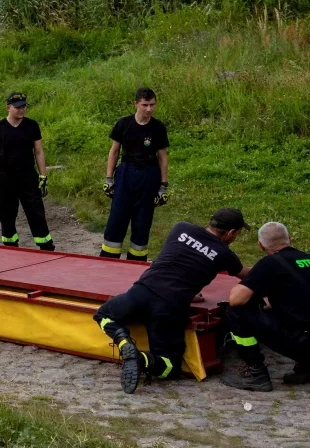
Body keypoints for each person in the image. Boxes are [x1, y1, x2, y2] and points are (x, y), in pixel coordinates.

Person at [94, 208, 248, 393]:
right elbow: (246, 275)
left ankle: (124, 343)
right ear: (231, 232)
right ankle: (141, 359)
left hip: (141, 292)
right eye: (237, 235)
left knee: (103, 314)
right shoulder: (224, 254)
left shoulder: (181, 228)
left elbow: (178, 260)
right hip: (169, 306)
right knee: (170, 367)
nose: (235, 239)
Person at [220, 222, 310, 392]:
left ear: (260, 246)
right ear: (290, 238)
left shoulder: (270, 264)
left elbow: (236, 299)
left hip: (304, 342)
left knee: (235, 311)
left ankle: (256, 371)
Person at [99, 87, 170, 262]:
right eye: (145, 105)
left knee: (142, 221)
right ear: (136, 103)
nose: (149, 109)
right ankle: (108, 260)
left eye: (152, 105)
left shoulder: (158, 127)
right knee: (117, 218)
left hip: (149, 176)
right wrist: (109, 179)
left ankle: (136, 263)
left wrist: (163, 186)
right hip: (126, 173)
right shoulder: (123, 124)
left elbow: (162, 158)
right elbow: (114, 152)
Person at [0, 91, 54, 251]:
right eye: (18, 107)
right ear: (8, 107)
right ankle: (11, 247)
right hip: (6, 178)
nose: (21, 110)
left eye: (24, 106)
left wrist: (43, 176)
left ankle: (46, 246)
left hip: (28, 177)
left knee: (37, 212)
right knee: (7, 215)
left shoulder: (32, 126)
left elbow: (38, 152)